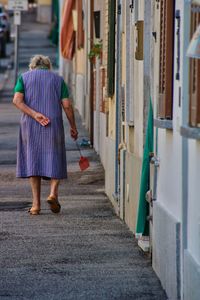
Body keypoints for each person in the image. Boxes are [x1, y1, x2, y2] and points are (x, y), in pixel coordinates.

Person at [13, 55, 78, 215]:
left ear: (32, 66)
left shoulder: (24, 78)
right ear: (48, 66)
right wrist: (73, 127)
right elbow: (67, 106)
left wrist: (34, 115)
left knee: (33, 160)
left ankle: (36, 205)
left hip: (31, 125)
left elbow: (17, 100)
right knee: (55, 157)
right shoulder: (58, 80)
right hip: (53, 124)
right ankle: (53, 193)